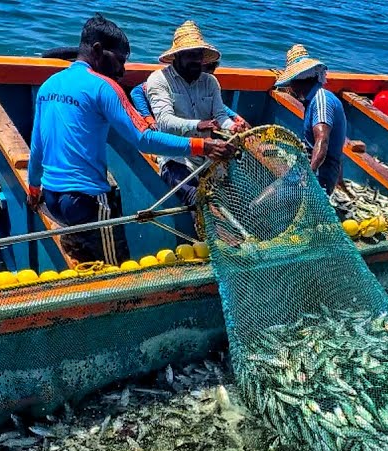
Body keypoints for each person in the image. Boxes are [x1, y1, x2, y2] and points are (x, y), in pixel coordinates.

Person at [27, 14, 233, 265]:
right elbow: (144, 139)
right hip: (87, 202)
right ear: (98, 50)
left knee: (88, 260)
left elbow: (36, 146)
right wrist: (202, 145)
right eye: (120, 60)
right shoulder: (104, 87)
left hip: (52, 198)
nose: (122, 70)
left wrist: (34, 187)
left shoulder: (49, 85)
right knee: (118, 270)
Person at [142, 21, 249, 205]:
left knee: (236, 197)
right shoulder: (159, 80)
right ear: (176, 56)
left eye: (199, 55)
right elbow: (165, 121)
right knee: (197, 199)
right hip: (176, 156)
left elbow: (220, 116)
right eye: (190, 55)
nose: (196, 61)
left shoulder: (210, 82)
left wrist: (233, 127)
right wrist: (198, 124)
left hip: (208, 155)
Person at [276, 45, 348, 194]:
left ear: (299, 81)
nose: (290, 88)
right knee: (275, 191)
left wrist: (308, 175)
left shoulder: (321, 100)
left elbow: (323, 140)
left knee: (277, 196)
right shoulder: (315, 99)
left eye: (291, 83)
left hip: (321, 172)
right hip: (313, 165)